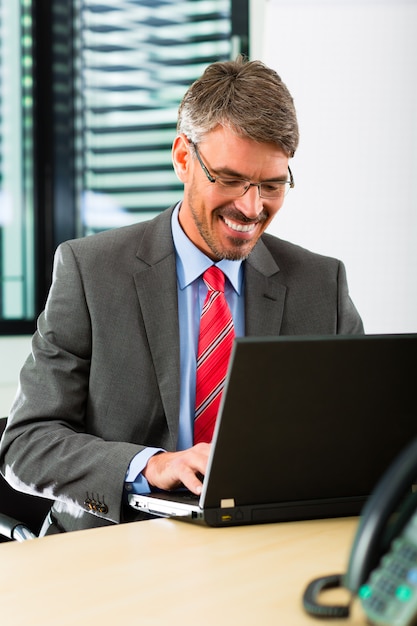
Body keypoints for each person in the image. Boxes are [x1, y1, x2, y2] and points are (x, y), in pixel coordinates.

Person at [0, 56, 363, 534]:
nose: (252, 208)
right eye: (230, 179)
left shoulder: (321, 285)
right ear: (182, 158)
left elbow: (362, 440)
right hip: (112, 550)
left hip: (263, 542)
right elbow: (27, 442)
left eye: (272, 185)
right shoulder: (91, 271)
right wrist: (148, 465)